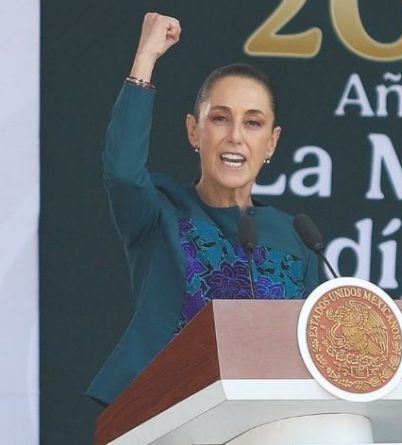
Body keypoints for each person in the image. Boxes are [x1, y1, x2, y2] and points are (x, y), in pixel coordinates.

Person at [87, 13, 319, 405]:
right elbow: (123, 172)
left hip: (266, 420)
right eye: (220, 118)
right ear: (194, 131)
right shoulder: (161, 213)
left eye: (253, 123)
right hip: (166, 411)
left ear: (272, 142)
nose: (235, 137)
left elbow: (313, 352)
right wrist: (145, 58)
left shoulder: (296, 238)